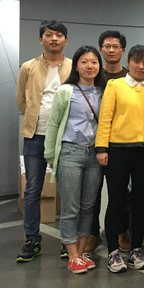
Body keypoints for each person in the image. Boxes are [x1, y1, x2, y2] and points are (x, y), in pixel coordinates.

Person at [95, 45, 144, 273]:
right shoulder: (115, 85)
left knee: (142, 201)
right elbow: (105, 118)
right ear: (128, 63)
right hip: (118, 151)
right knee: (116, 201)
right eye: (136, 62)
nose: (141, 67)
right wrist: (101, 148)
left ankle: (136, 249)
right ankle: (113, 251)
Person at [44, 46, 106, 273]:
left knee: (89, 207)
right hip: (70, 152)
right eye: (84, 62)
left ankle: (81, 253)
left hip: (94, 154)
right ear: (76, 66)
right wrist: (51, 155)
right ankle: (72, 255)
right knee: (71, 206)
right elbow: (53, 124)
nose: (90, 66)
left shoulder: (102, 92)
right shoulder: (66, 91)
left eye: (94, 62)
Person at [16, 20, 72, 262]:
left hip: (65, 137)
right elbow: (21, 99)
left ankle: (68, 240)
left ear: (66, 40)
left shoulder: (74, 66)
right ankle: (32, 239)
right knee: (32, 189)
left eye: (59, 35)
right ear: (41, 39)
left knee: (68, 190)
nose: (54, 39)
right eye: (49, 35)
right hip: (35, 136)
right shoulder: (28, 67)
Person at [86, 30, 130, 255]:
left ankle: (121, 232)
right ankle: (92, 233)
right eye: (107, 46)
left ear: (123, 50)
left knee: (120, 192)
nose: (111, 50)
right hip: (93, 141)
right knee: (92, 191)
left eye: (116, 46)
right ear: (100, 49)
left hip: (121, 144)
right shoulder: (93, 74)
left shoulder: (130, 77)